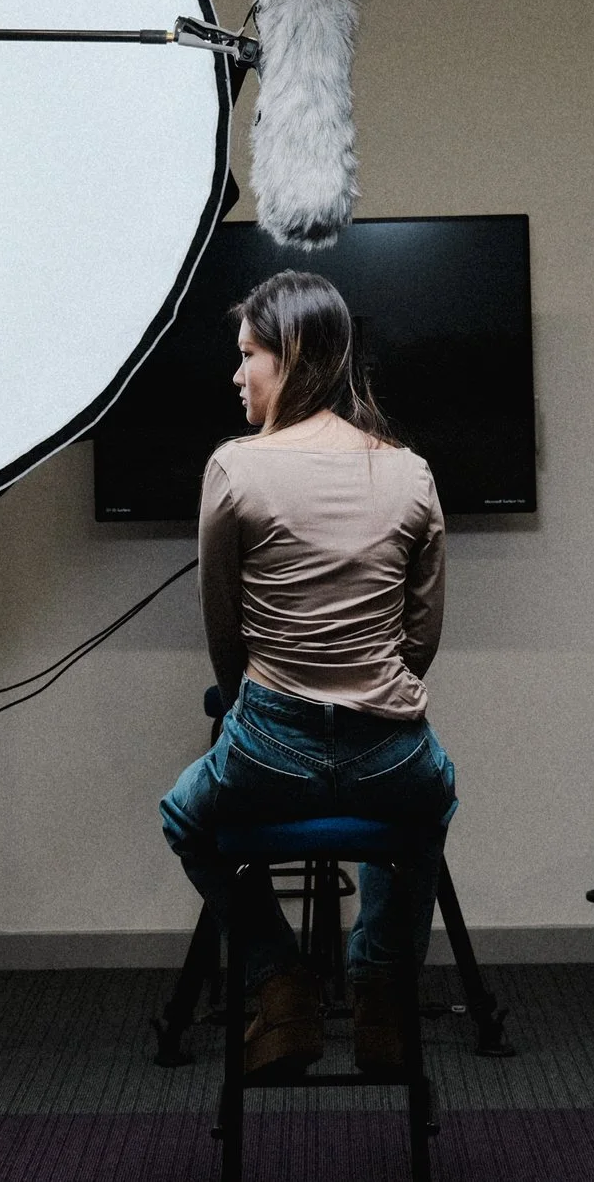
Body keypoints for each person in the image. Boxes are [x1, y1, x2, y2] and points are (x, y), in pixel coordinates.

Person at [157, 270, 455, 1079]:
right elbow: (420, 639)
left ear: (288, 355)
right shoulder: (413, 471)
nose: (236, 373)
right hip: (391, 753)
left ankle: (282, 988)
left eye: (247, 353)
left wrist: (263, 706)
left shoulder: (234, 467)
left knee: (185, 814)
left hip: (267, 753)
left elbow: (223, 633)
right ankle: (382, 994)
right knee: (431, 802)